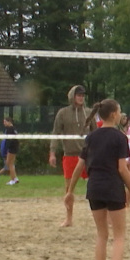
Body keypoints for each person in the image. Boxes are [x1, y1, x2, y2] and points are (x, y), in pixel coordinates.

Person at [65, 99, 130, 260]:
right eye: (120, 111)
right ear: (114, 114)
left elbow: (79, 167)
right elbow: (122, 170)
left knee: (101, 235)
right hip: (112, 187)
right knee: (119, 236)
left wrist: (70, 191)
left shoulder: (91, 137)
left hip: (94, 188)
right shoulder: (119, 138)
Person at [49, 85, 98, 226]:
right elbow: (55, 133)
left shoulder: (89, 113)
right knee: (69, 188)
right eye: (78, 95)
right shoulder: (63, 113)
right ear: (72, 96)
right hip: (70, 155)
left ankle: (103, 217)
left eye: (83, 95)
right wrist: (52, 152)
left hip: (88, 155)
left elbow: (96, 133)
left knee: (96, 186)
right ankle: (69, 218)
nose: (81, 97)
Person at [0, 117, 20, 185]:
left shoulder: (9, 129)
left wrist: (6, 149)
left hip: (11, 148)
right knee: (11, 164)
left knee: (9, 164)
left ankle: (12, 180)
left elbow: (9, 141)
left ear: (9, 122)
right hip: (14, 148)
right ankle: (15, 178)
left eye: (5, 122)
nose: (4, 123)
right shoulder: (14, 129)